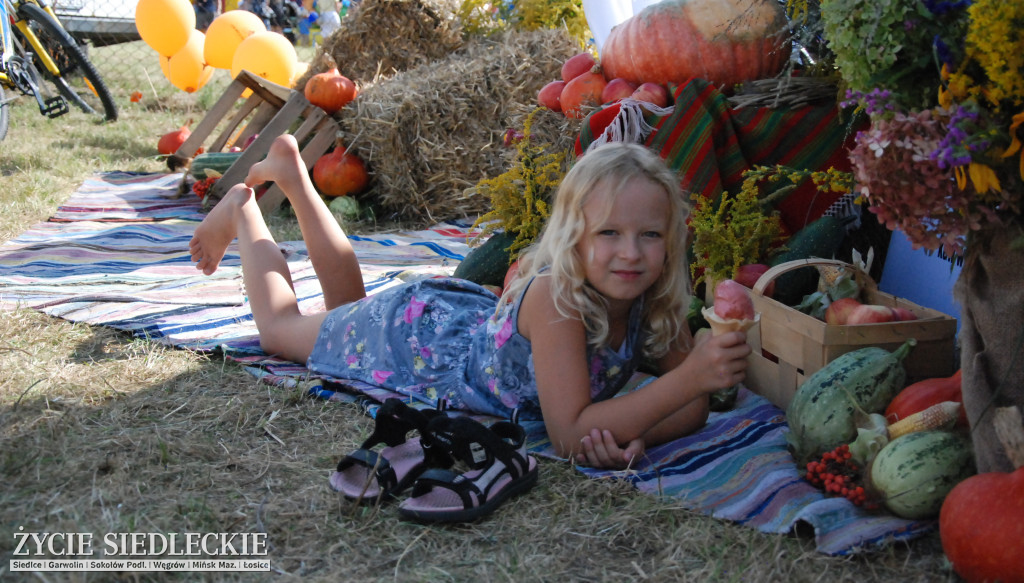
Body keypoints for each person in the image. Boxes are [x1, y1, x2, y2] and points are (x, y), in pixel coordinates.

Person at [189, 137, 751, 469]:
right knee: (282, 329)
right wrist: (688, 379)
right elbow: (570, 432)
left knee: (342, 310)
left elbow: (688, 408)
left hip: (454, 322)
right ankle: (245, 213)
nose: (631, 253)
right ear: (575, 237)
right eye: (609, 234)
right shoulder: (560, 298)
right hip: (415, 341)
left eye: (649, 236)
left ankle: (292, 174)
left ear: (670, 240)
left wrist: (631, 435)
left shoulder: (654, 297)